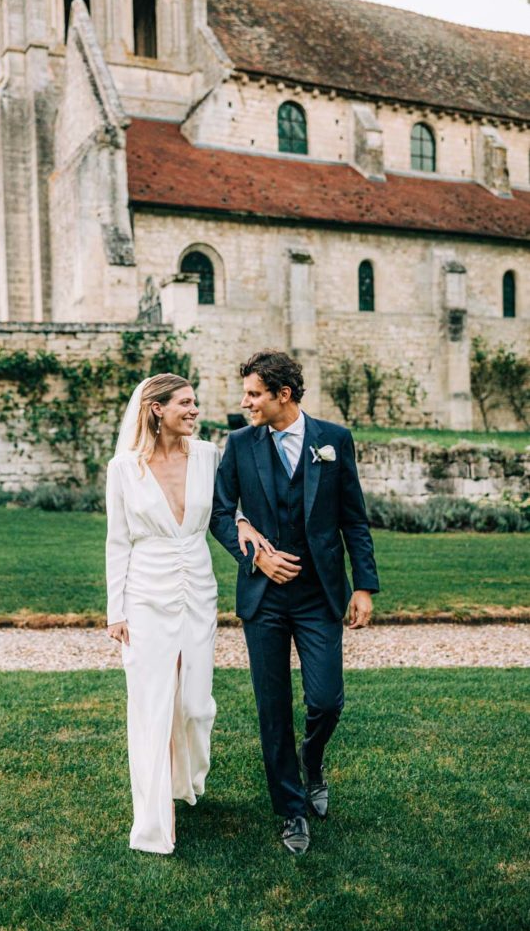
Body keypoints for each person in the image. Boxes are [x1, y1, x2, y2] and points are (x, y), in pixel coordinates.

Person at [210, 350, 379, 856]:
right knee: (272, 708)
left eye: (254, 394)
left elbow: (354, 518)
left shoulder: (334, 440)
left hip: (318, 593)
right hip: (263, 599)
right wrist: (255, 556)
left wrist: (364, 585)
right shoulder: (240, 444)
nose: (245, 403)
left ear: (284, 395)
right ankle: (290, 811)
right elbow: (221, 513)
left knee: (326, 700)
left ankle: (314, 757)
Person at [105, 373, 267, 855]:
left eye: (195, 403)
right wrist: (117, 611)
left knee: (196, 705)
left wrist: (241, 523)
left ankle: (186, 779)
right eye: (186, 403)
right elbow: (117, 541)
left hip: (197, 586)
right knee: (152, 704)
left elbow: (225, 510)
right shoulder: (123, 468)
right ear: (157, 409)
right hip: (145, 592)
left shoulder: (209, 457)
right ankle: (154, 820)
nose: (196, 411)